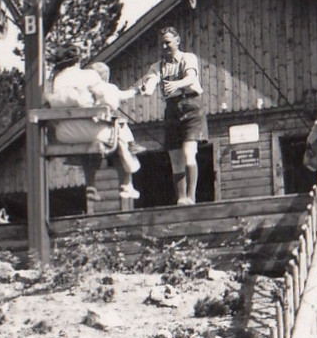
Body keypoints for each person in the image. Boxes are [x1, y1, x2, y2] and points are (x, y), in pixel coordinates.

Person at [44, 49, 141, 200]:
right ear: (78, 61)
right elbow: (109, 100)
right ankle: (126, 184)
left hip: (65, 134)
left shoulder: (56, 81)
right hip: (94, 132)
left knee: (90, 145)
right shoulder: (88, 75)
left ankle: (91, 186)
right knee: (121, 132)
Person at [136, 26, 208, 205]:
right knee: (175, 158)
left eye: (168, 42)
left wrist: (176, 84)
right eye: (162, 44)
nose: (164, 47)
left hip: (191, 106)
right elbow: (151, 84)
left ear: (177, 41)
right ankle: (181, 199)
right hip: (172, 110)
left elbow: (191, 78)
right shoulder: (157, 66)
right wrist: (145, 89)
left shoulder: (188, 58)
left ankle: (192, 197)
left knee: (188, 152)